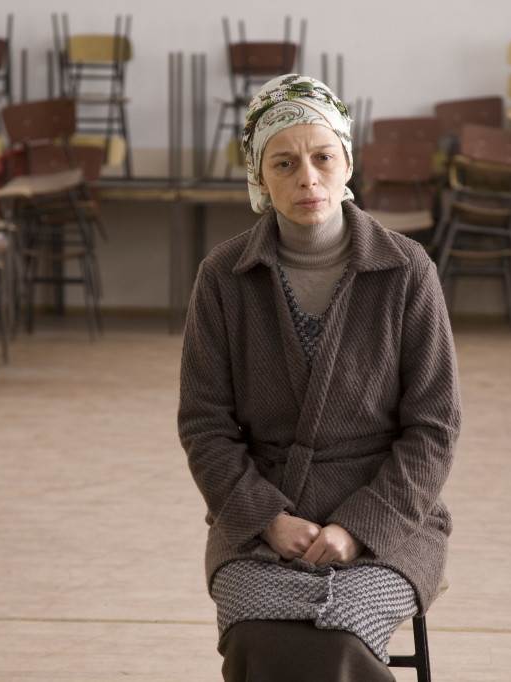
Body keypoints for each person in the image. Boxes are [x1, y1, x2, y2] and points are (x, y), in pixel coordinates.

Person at [178, 74, 461, 681]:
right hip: (258, 521)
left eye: (323, 157)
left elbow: (434, 428)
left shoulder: (407, 270)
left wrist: (357, 528)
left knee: (339, 639)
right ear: (260, 177)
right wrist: (268, 520)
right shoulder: (223, 277)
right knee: (256, 632)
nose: (307, 178)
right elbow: (204, 426)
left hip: (389, 519)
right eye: (284, 163)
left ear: (347, 162)